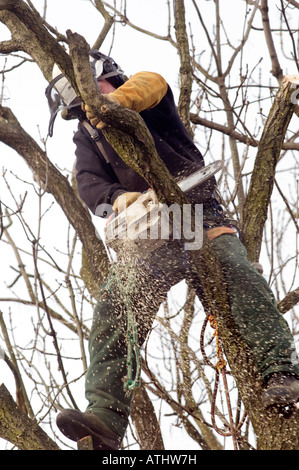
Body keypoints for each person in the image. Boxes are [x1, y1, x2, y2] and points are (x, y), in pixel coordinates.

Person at [46, 50, 299, 450]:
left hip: (194, 213)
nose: (87, 108)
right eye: (80, 103)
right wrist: (122, 199)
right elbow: (89, 186)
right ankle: (106, 420)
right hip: (149, 233)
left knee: (238, 273)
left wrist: (112, 105)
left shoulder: (146, 99)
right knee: (116, 306)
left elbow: (153, 83)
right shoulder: (86, 136)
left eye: (93, 92)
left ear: (109, 79)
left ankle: (279, 371)